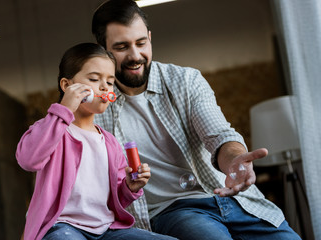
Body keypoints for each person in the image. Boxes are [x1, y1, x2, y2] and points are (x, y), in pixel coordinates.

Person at [91, 1, 301, 239]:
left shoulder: (186, 81)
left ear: (150, 37)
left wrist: (234, 160)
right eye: (121, 47)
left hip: (232, 199)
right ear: (103, 50)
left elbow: (219, 135)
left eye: (141, 43)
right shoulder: (94, 107)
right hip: (176, 211)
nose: (135, 55)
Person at [16, 43, 177, 240]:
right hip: (63, 227)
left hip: (107, 230)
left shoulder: (110, 142)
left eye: (110, 82)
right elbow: (28, 160)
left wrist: (129, 187)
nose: (104, 87)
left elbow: (114, 198)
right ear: (67, 86)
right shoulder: (51, 129)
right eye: (94, 79)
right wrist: (63, 110)